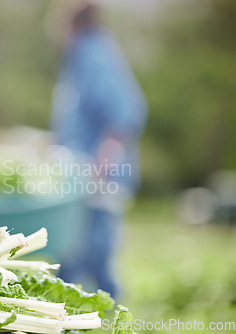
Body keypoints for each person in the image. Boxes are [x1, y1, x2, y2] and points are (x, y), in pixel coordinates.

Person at [51, 2, 147, 298]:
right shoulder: (83, 57)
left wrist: (102, 164)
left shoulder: (95, 53)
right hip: (80, 173)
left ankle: (111, 317)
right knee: (75, 256)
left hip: (94, 175)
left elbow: (124, 112)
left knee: (92, 256)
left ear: (70, 26)